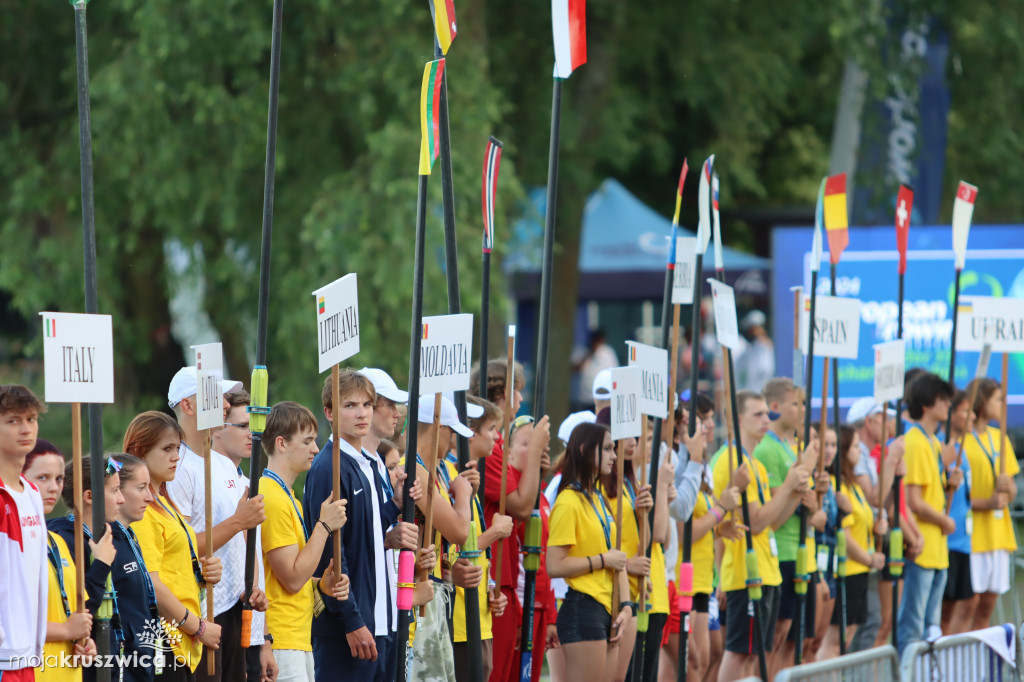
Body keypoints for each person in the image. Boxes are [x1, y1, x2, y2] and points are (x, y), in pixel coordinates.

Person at [304, 370, 418, 682]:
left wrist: (394, 505)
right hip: (349, 630)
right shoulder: (329, 466)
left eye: (367, 405)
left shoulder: (365, 463)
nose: (362, 413)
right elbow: (331, 554)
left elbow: (362, 535)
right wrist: (351, 620)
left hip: (380, 622)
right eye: (350, 405)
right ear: (329, 412)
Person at [165, 366, 263, 682]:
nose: (223, 404)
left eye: (222, 396)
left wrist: (252, 583)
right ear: (188, 406)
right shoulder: (176, 466)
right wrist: (237, 521)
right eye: (213, 395)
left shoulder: (221, 462)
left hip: (234, 608)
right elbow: (178, 547)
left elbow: (244, 536)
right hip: (199, 615)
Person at [712, 390, 809, 682]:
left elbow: (773, 521)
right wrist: (790, 483)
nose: (766, 419)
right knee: (739, 651)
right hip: (745, 571)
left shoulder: (757, 465)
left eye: (767, 413)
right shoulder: (732, 459)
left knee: (754, 654)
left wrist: (794, 493)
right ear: (737, 419)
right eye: (758, 414)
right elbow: (754, 522)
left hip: (766, 569)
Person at [124, 410, 224, 681]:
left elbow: (174, 567)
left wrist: (202, 573)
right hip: (163, 639)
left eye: (178, 448)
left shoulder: (165, 503)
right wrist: (198, 627)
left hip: (180, 640)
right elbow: (151, 582)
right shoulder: (141, 510)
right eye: (167, 448)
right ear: (140, 451)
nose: (176, 457)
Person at [260, 401, 350, 681]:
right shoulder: (272, 498)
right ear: (282, 444)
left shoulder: (288, 497)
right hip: (281, 641)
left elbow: (287, 578)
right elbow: (292, 578)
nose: (315, 448)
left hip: (297, 639)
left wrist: (321, 584)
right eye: (308, 441)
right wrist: (323, 526)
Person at [546, 422, 631, 682]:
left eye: (613, 449)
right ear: (584, 451)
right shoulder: (569, 501)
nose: (615, 456)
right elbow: (554, 565)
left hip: (609, 609)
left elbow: (618, 560)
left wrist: (626, 606)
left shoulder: (598, 498)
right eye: (607, 449)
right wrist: (602, 560)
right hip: (583, 608)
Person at [753, 377, 821, 671]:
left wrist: (813, 494)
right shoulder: (768, 450)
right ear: (776, 407)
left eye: (804, 403)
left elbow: (809, 503)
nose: (803, 410)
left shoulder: (794, 446)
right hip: (782, 553)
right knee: (777, 638)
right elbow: (776, 514)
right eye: (797, 404)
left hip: (803, 553)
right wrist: (803, 472)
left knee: (798, 641)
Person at [209, 390, 276, 682]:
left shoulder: (246, 481)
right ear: (218, 428)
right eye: (242, 426)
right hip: (215, 615)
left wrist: (264, 640)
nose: (252, 434)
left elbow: (253, 557)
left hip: (247, 619)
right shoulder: (204, 473)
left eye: (255, 426)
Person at [22, 440, 97, 682]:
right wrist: (66, 630)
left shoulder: (58, 542)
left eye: (59, 478)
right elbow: (10, 623)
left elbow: (76, 613)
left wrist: (84, 643)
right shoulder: (9, 540)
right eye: (42, 478)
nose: (53, 488)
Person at [48, 454, 123, 682]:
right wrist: (100, 564)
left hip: (110, 657)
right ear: (89, 496)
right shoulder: (65, 540)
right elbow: (77, 609)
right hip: (79, 664)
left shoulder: (107, 536)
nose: (121, 499)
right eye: (114, 491)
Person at [897, 372, 957, 656]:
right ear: (925, 404)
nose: (948, 404)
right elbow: (915, 501)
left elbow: (932, 495)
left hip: (937, 548)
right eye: (942, 399)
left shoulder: (933, 442)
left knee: (931, 628)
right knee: (913, 626)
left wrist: (949, 485)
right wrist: (944, 519)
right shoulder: (916, 442)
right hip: (922, 547)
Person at [454, 397, 513, 682]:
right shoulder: (454, 478)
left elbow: (473, 552)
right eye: (491, 429)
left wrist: (491, 587)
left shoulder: (470, 478)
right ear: (470, 432)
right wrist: (494, 533)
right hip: (458, 618)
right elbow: (452, 549)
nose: (497, 437)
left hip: (479, 615)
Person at [819, 427, 888, 658]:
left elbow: (866, 521)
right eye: (856, 447)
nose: (860, 452)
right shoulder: (834, 486)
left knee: (846, 641)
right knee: (834, 642)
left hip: (860, 571)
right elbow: (844, 537)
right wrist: (869, 558)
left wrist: (879, 527)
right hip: (846, 571)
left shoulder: (854, 486)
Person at [0, 384, 48, 682]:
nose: (25, 428)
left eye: (31, 419)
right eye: (13, 420)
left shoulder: (31, 492)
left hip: (28, 650)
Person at [964, 377, 1018, 631]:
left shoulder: (1000, 438)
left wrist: (1009, 489)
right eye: (998, 399)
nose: (1002, 405)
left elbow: (1013, 491)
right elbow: (955, 495)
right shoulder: (963, 440)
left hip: (999, 535)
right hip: (973, 537)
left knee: (987, 608)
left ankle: (980, 666)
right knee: (968, 606)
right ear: (982, 400)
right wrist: (987, 502)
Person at [108, 453, 167, 682]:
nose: (150, 498)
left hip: (143, 662)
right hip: (122, 667)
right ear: (117, 490)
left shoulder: (128, 535)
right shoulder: (104, 541)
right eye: (142, 488)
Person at [940, 390, 974, 635]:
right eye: (965, 411)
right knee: (940, 617)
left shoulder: (963, 452)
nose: (972, 416)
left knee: (955, 611)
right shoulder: (942, 449)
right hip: (945, 542)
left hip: (963, 541)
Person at [572, 329, 619, 411]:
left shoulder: (607, 353)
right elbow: (576, 368)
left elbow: (615, 373)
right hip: (583, 400)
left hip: (602, 399)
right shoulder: (583, 351)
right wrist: (589, 354)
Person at [734, 311, 774, 393]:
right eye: (752, 329)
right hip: (746, 394)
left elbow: (766, 371)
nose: (755, 331)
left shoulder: (764, 348)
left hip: (760, 394)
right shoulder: (743, 347)